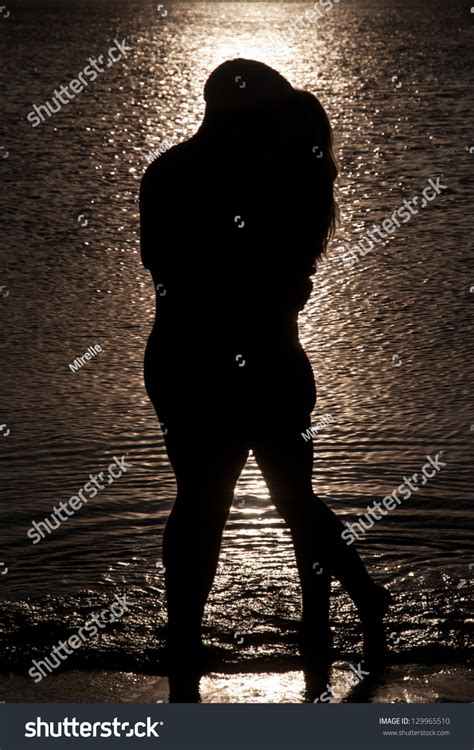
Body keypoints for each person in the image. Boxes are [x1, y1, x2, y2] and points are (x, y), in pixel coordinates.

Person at [140, 59, 392, 682]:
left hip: (194, 358)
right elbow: (274, 281)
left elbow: (165, 269)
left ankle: (189, 644)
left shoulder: (175, 172)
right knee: (277, 497)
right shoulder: (270, 178)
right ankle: (340, 609)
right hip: (246, 359)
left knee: (206, 501)